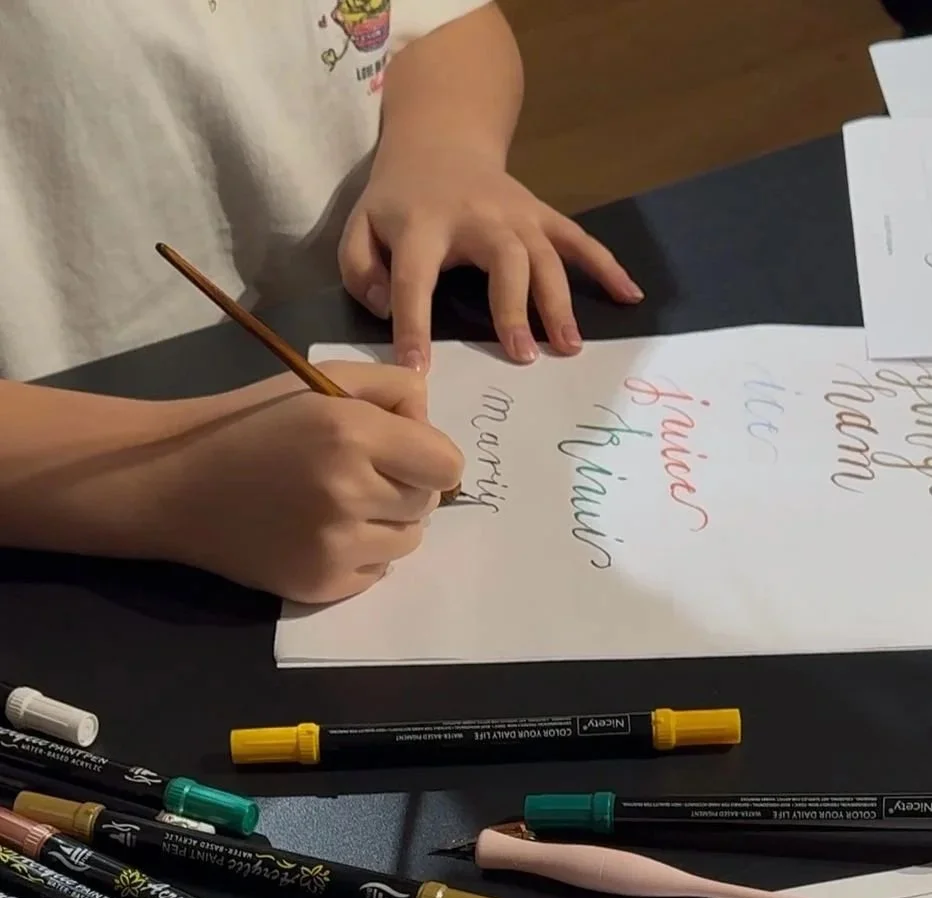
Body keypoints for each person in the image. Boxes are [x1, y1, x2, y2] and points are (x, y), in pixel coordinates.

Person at [0, 2, 642, 603]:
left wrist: (445, 147)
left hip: (354, 334)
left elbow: (446, 21)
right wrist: (175, 481)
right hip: (72, 527)